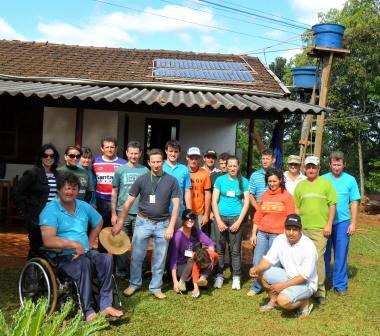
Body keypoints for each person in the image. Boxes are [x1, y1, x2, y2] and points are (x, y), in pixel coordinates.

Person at [39, 172, 123, 321]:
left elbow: (98, 222)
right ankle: (88, 310)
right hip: (62, 256)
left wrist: (90, 242)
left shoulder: (83, 206)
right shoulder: (50, 210)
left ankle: (105, 305)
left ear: (78, 191)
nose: (70, 192)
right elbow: (48, 240)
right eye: (67, 188)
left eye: (74, 188)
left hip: (85, 252)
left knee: (106, 259)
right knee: (83, 263)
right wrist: (73, 244)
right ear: (58, 189)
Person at [112, 148, 180, 299]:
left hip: (163, 224)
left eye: (159, 162)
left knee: (160, 257)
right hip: (143, 222)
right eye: (153, 162)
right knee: (137, 255)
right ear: (149, 163)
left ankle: (156, 287)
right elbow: (128, 202)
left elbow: (176, 206)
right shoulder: (141, 179)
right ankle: (134, 284)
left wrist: (170, 226)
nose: (156, 165)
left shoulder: (172, 181)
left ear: (163, 162)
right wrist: (120, 222)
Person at [249, 214, 317, 318]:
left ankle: (304, 302)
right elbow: (268, 259)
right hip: (288, 276)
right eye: (288, 229)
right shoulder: (280, 239)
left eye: (294, 229)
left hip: (305, 284)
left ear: (300, 230)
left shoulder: (309, 246)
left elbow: (304, 277)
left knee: (283, 301)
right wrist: (256, 269)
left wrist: (282, 286)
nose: (291, 232)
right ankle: (273, 300)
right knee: (260, 272)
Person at [294, 156, 337, 304]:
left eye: (314, 167)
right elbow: (296, 208)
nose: (311, 169)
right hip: (303, 229)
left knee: (317, 259)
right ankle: (304, 287)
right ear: (304, 169)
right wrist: (297, 228)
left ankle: (319, 291)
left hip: (320, 229)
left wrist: (329, 224)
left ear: (319, 169)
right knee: (302, 259)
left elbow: (332, 205)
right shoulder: (300, 186)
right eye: (308, 167)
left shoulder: (326, 184)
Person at [248, 168, 296, 296]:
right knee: (257, 261)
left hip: (278, 236)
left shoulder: (287, 196)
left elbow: (290, 217)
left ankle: (274, 288)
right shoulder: (264, 195)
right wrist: (253, 234)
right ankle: (257, 286)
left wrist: (288, 235)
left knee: (274, 264)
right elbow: (258, 216)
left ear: (280, 180)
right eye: (269, 181)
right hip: (262, 233)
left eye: (274, 181)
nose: (272, 184)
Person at [322, 151, 361, 295]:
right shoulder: (323, 179)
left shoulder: (350, 180)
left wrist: (353, 223)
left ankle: (340, 284)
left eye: (339, 164)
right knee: (323, 253)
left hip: (343, 222)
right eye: (334, 164)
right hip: (325, 222)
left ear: (344, 164)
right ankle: (323, 282)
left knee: (341, 254)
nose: (336, 167)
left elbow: (354, 202)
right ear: (330, 164)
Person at [13, 144, 60, 259]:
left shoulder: (56, 174)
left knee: (48, 247)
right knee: (36, 246)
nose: (48, 158)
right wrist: (25, 211)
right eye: (45, 155)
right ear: (40, 157)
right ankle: (31, 272)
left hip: (53, 216)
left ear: (55, 158)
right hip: (37, 216)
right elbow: (17, 192)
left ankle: (44, 272)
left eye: (52, 156)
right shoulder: (32, 173)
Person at [111, 141, 149, 278]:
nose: (133, 156)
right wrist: (114, 213)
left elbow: (150, 193)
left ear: (140, 154)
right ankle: (121, 272)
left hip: (140, 214)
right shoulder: (120, 170)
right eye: (131, 153)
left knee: (140, 243)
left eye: (136, 153)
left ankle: (140, 271)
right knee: (121, 243)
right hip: (123, 213)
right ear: (127, 153)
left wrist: (150, 210)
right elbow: (114, 192)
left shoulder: (145, 170)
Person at [212, 156, 250, 290]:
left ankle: (236, 277)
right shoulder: (220, 180)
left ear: (238, 166)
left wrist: (239, 222)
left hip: (235, 219)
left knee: (235, 250)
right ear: (226, 166)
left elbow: (246, 203)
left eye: (235, 166)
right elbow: (214, 201)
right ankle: (219, 276)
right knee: (220, 249)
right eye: (230, 166)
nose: (232, 168)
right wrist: (219, 220)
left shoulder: (244, 181)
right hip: (221, 218)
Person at [168, 209, 216, 298]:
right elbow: (173, 260)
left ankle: (199, 280)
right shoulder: (178, 236)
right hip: (181, 265)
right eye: (187, 218)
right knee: (194, 264)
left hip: (194, 260)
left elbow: (210, 243)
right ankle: (191, 282)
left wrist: (211, 256)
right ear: (182, 220)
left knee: (208, 260)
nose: (190, 220)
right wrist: (175, 282)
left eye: (192, 218)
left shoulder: (196, 230)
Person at [93, 137, 126, 251]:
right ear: (102, 148)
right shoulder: (95, 162)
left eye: (112, 147)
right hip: (100, 200)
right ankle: (103, 258)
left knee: (117, 231)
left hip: (117, 201)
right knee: (102, 230)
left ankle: (116, 260)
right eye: (107, 147)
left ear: (116, 148)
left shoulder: (123, 163)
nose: (110, 149)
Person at [163, 140, 192, 226]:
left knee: (178, 238)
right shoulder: (160, 167)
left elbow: (187, 192)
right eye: (171, 151)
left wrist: (189, 212)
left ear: (179, 153)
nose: (173, 154)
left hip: (179, 212)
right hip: (162, 213)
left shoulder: (184, 169)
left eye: (176, 151)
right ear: (166, 151)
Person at [186, 147, 211, 229]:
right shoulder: (182, 171)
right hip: (183, 211)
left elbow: (207, 194)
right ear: (187, 157)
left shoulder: (204, 173)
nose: (193, 160)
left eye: (196, 158)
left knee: (197, 238)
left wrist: (206, 214)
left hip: (198, 212)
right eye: (191, 158)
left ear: (199, 159)